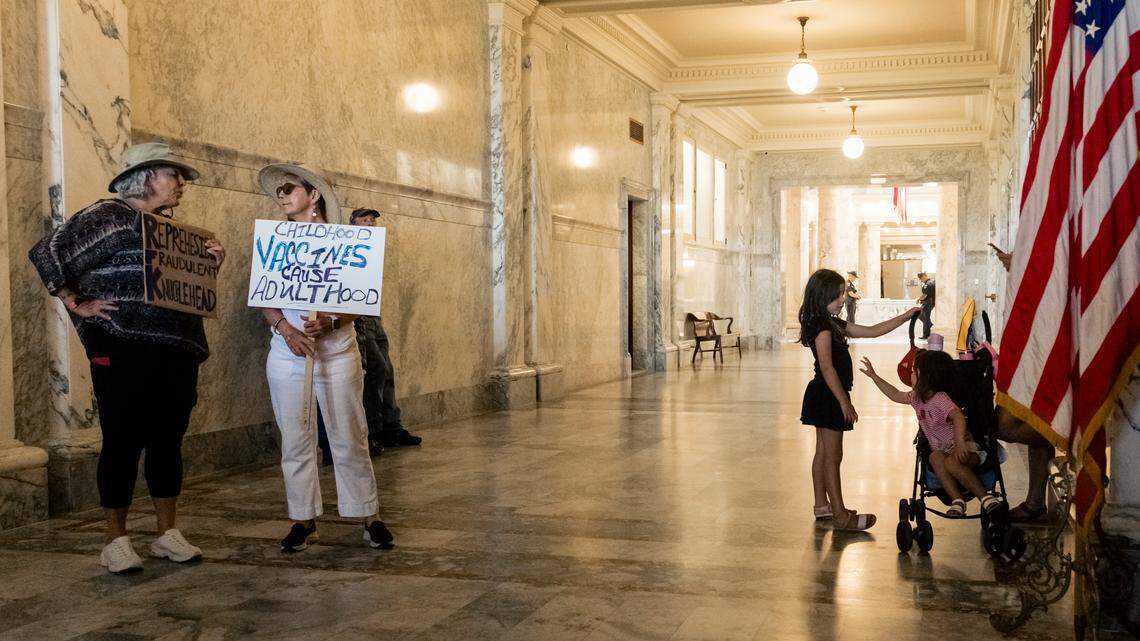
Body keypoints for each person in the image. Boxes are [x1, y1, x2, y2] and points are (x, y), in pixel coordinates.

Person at [28, 142, 226, 573]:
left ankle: (166, 533)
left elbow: (182, 287)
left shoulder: (173, 231)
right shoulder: (108, 217)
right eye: (175, 176)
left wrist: (209, 262)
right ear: (148, 176)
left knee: (168, 439)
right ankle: (114, 539)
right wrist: (75, 300)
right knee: (123, 438)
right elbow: (46, 253)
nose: (182, 185)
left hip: (177, 348)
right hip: (121, 345)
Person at [256, 163, 394, 552]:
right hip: (287, 353)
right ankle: (303, 519)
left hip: (337, 353)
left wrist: (331, 321)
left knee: (349, 435)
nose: (282, 194)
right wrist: (286, 330)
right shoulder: (274, 240)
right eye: (278, 190)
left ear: (313, 194)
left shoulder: (345, 241)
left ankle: (369, 516)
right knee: (296, 437)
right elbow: (263, 297)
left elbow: (360, 297)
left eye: (289, 187)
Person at [798, 269, 920, 531]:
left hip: (824, 394)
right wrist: (844, 402)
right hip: (829, 395)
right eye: (838, 295)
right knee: (833, 456)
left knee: (823, 453)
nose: (844, 299)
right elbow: (828, 368)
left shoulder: (829, 322)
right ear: (823, 295)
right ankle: (841, 515)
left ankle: (822, 506)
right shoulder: (822, 327)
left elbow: (873, 331)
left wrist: (905, 316)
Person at [860, 350, 1007, 517]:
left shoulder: (940, 399)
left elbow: (958, 415)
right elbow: (894, 394)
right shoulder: (916, 397)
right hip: (944, 451)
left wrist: (959, 443)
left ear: (924, 377)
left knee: (951, 462)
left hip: (965, 448)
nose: (911, 374)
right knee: (934, 457)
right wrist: (875, 377)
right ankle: (957, 501)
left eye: (915, 371)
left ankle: (986, 498)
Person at [989, 242, 1053, 523]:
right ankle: (1035, 501)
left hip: (1048, 353)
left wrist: (1023, 265)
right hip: (1034, 352)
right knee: (1028, 427)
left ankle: (1074, 445)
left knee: (1005, 424)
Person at [917, 272, 936, 339]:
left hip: (928, 303)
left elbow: (925, 294)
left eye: (921, 277)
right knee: (921, 316)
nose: (920, 280)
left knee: (925, 318)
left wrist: (919, 299)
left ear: (925, 276)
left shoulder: (928, 284)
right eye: (920, 278)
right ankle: (929, 325)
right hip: (930, 302)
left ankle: (926, 335)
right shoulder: (932, 282)